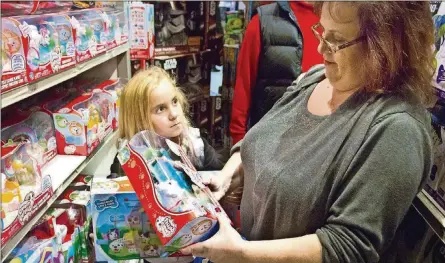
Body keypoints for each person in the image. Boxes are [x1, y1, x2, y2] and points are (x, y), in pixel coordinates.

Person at [182, 2, 435, 263]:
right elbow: (262, 139)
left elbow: (346, 247)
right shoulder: (314, 78)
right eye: (322, 31)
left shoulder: (397, 130)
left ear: (386, 47)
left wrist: (242, 254)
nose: (320, 48)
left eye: (336, 40)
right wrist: (229, 174)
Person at [116, 66, 225, 263]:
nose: (174, 114)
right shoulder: (130, 161)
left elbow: (218, 189)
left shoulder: (195, 146)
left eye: (174, 102)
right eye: (160, 109)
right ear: (138, 118)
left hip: (201, 250)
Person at [229, 1, 323, 144]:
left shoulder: (343, 20)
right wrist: (238, 140)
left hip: (324, 140)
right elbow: (244, 84)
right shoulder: (264, 20)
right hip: (271, 142)